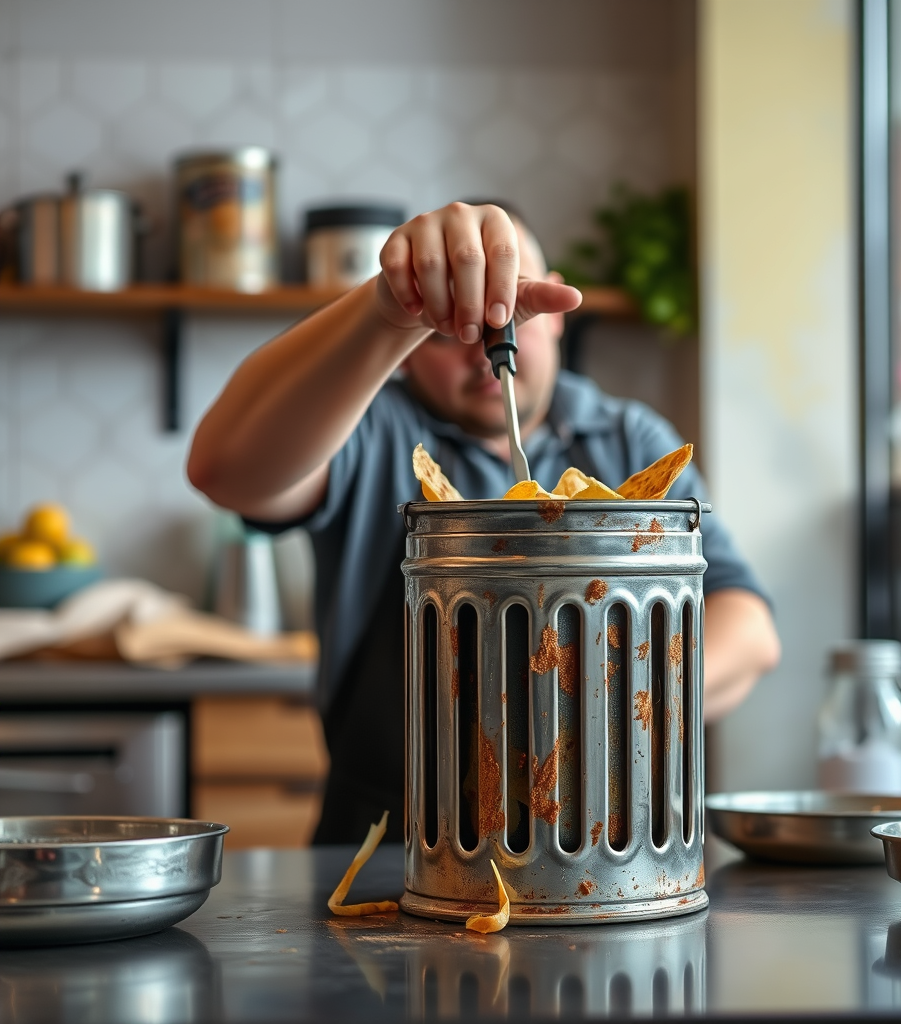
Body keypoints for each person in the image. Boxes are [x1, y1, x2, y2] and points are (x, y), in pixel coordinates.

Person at [187, 201, 781, 843]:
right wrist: (384, 314)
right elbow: (227, 472)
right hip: (393, 842)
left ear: (555, 322)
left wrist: (602, 706)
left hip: (602, 843)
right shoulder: (376, 431)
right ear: (408, 355)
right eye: (446, 329)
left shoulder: (628, 441)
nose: (483, 345)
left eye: (515, 308)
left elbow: (747, 629)